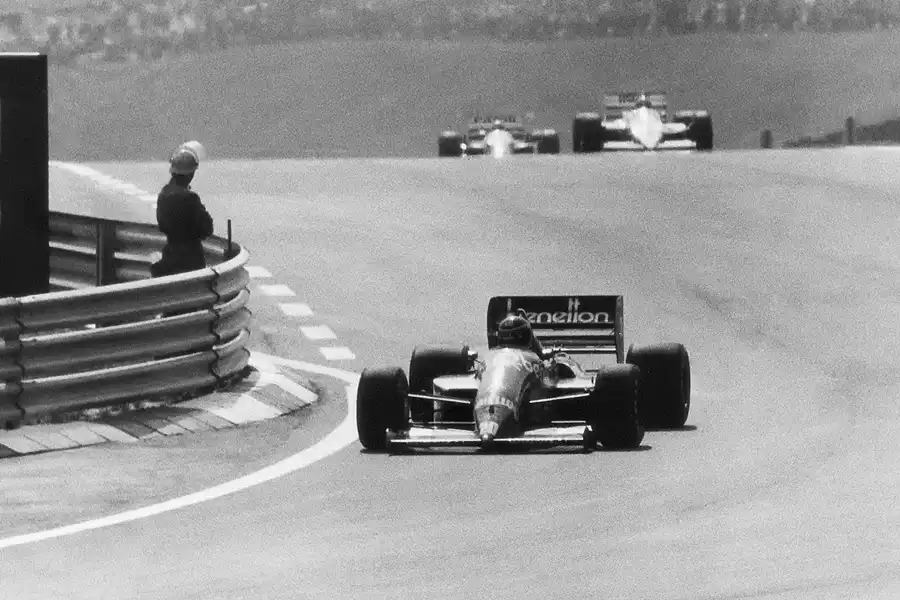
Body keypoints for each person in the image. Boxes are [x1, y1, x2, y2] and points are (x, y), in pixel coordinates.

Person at [150, 144, 214, 278]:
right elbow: (207, 228)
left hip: (170, 254)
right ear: (191, 174)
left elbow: (162, 225)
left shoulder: (164, 194)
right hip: (191, 259)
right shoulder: (190, 198)